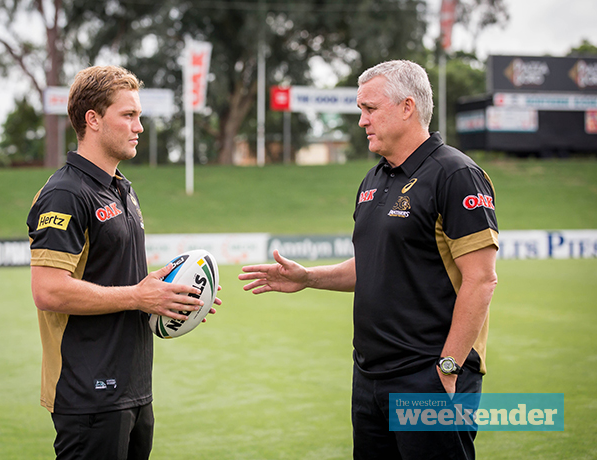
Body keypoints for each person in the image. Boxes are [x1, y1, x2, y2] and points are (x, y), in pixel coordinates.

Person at [239, 60, 498, 460]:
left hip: (428, 376)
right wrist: (308, 277)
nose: (362, 121)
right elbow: (373, 266)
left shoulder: (456, 174)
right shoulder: (374, 180)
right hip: (370, 376)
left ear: (407, 107)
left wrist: (448, 368)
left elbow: (481, 280)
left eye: (370, 109)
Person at [27, 65, 218, 460]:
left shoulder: (121, 190)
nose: (139, 127)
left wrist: (169, 295)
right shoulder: (65, 194)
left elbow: (123, 283)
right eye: (128, 115)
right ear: (92, 120)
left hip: (133, 388)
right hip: (88, 394)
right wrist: (137, 295)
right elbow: (47, 290)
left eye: (139, 116)